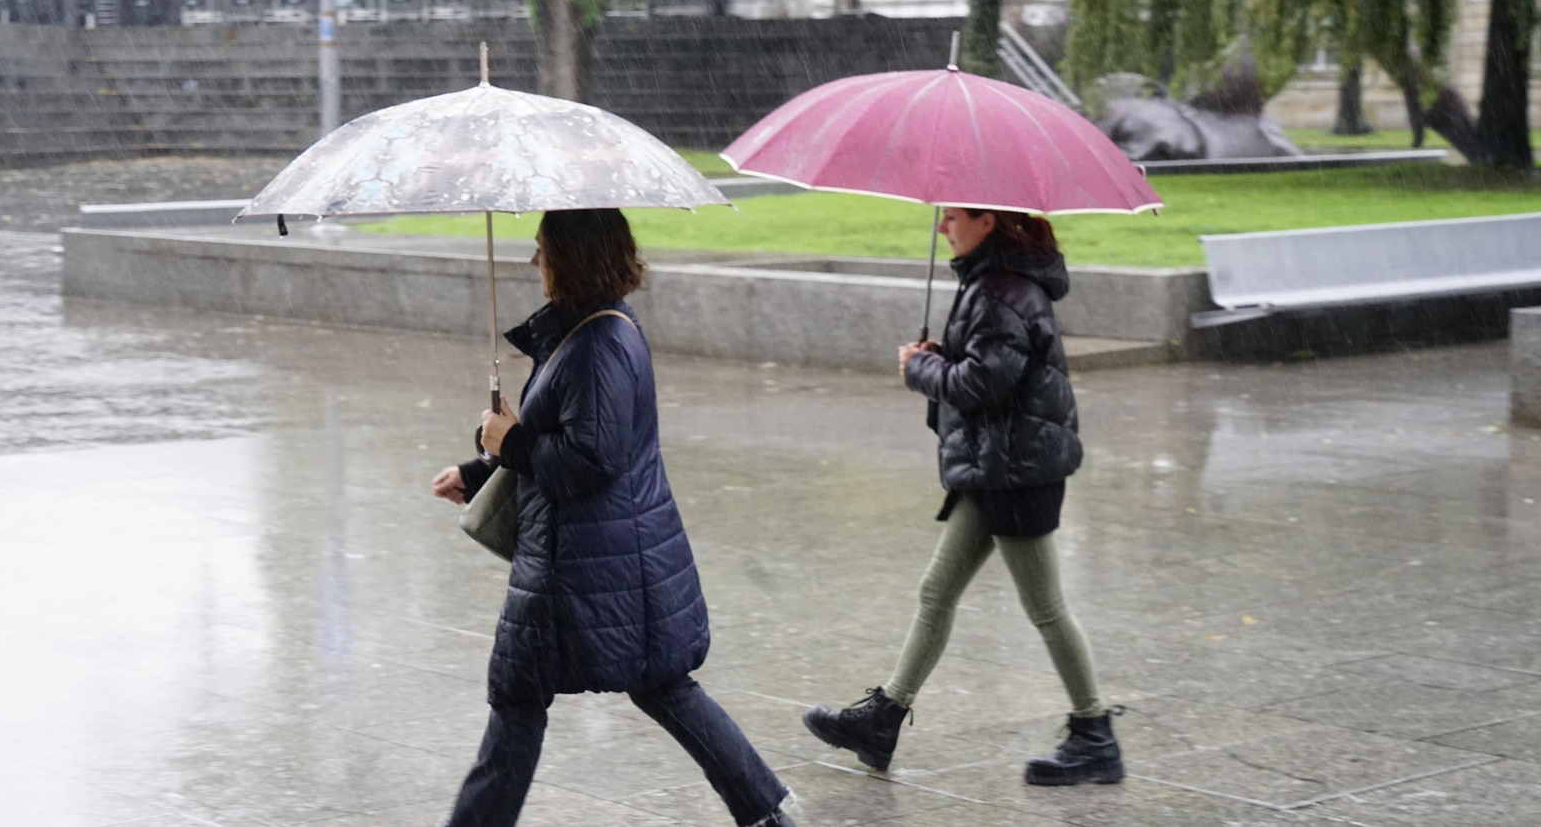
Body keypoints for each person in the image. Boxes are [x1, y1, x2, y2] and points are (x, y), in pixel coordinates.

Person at [429, 208, 795, 827]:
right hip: (602, 554)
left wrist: (509, 443)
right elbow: (569, 438)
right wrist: (482, 469)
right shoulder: (588, 332)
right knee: (648, 687)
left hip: (580, 562)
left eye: (543, 248)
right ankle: (766, 813)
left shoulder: (597, 345)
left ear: (572, 258)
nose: (534, 261)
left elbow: (590, 459)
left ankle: (766, 813)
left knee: (530, 697)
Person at [800, 208, 1124, 786]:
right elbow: (988, 370)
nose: (943, 227)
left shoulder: (1001, 292)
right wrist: (940, 357)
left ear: (987, 221)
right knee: (937, 590)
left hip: (1016, 469)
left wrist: (921, 367)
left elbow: (983, 384)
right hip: (995, 465)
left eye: (952, 217)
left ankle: (1095, 734)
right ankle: (883, 719)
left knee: (1045, 606)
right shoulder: (995, 284)